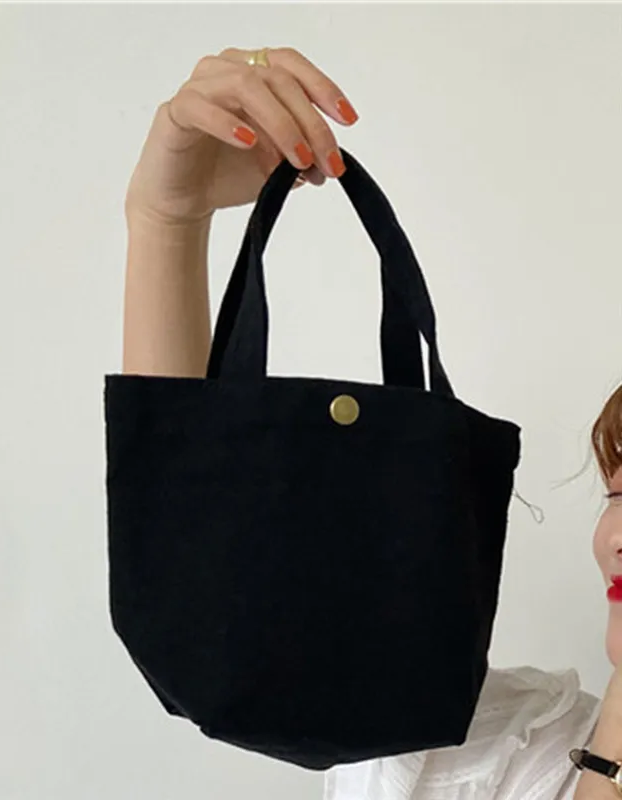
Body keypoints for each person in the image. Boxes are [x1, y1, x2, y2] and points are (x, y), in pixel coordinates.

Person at [120, 45, 622, 799]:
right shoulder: (486, 753)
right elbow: (193, 561)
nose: (616, 536)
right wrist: (168, 221)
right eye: (616, 496)